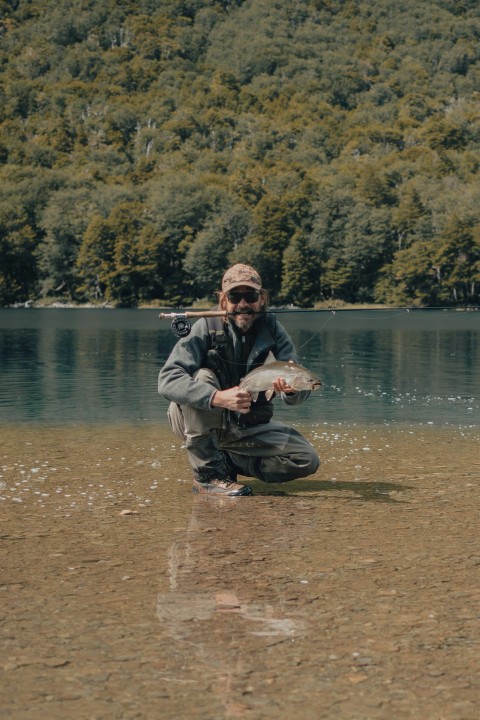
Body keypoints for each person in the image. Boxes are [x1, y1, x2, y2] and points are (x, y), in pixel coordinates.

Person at [158, 263, 320, 496]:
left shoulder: (274, 330)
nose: (243, 304)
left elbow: (298, 391)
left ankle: (226, 462)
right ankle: (208, 477)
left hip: (244, 426)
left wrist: (291, 391)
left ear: (262, 299)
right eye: (235, 296)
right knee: (202, 377)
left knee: (306, 460)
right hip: (193, 421)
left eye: (250, 296)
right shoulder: (206, 326)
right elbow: (167, 380)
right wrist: (217, 397)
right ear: (224, 301)